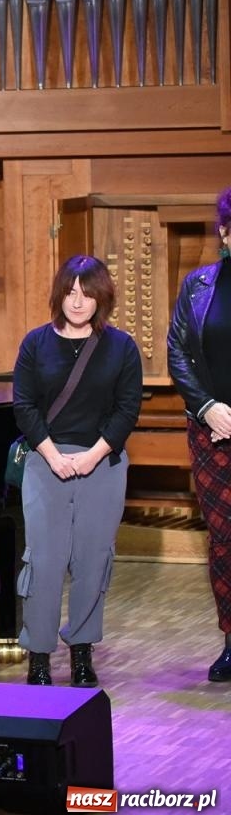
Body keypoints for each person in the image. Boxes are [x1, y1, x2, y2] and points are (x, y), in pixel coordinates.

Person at [13, 255, 142, 687]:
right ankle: (38, 656)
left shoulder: (121, 347)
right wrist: (52, 454)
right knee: (44, 563)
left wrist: (91, 456)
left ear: (101, 297)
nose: (78, 301)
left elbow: (127, 410)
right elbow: (24, 406)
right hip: (46, 461)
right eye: (70, 291)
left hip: (102, 463)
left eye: (87, 293)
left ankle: (83, 652)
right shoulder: (35, 343)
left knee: (92, 561)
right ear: (58, 293)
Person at [167, 187, 231, 683]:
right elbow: (178, 354)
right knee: (224, 541)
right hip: (213, 433)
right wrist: (207, 407)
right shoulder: (197, 285)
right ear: (225, 231)